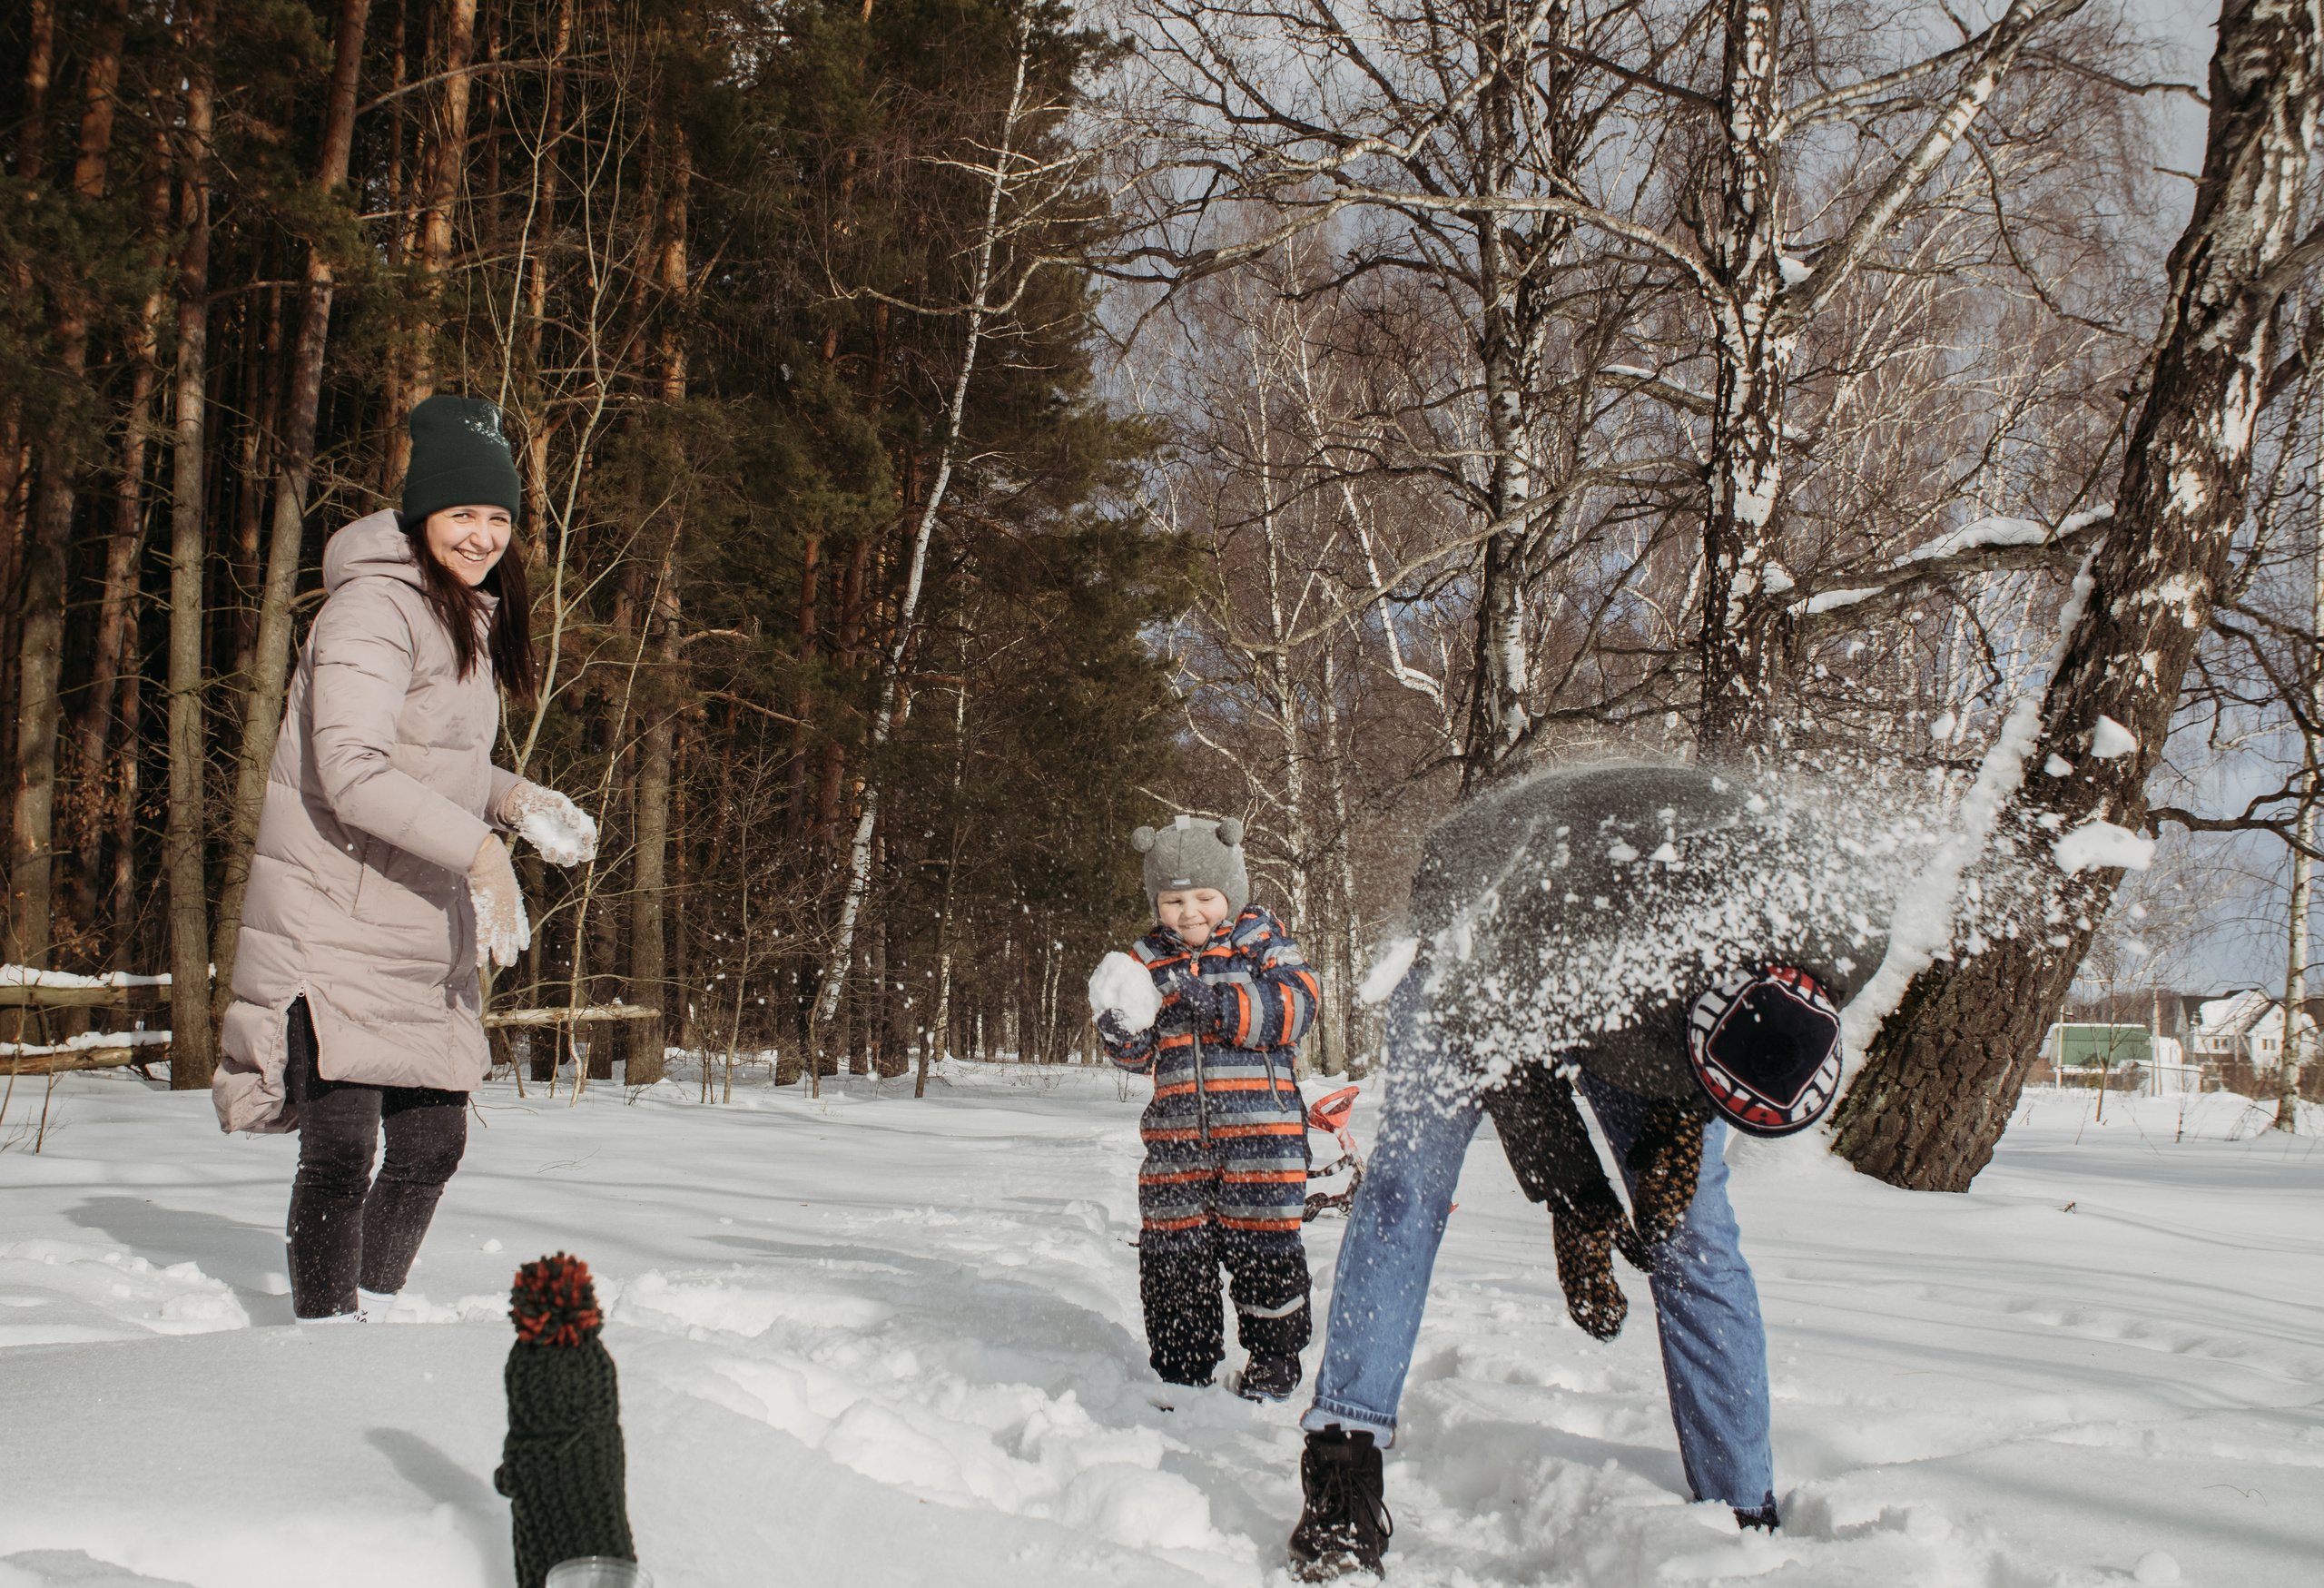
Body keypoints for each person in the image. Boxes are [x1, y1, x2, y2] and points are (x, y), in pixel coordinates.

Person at [1285, 763, 1894, 1581]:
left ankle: (1742, 1508)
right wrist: (1577, 1195)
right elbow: (1496, 1035)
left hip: (1629, 956)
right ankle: (1342, 1466)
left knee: (1698, 1233)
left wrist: (1672, 1145)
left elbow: (1719, 1066)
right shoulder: (1591, 959)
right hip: (1475, 936)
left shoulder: (1840, 929)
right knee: (1407, 1189)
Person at [212, 395, 597, 1323]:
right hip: (336, 916)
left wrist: (515, 799)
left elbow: (437, 760)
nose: (482, 536)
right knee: (344, 1149)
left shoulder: (462, 614)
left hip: (414, 926)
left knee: (431, 1145)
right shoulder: (370, 612)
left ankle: (373, 1311)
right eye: (464, 514)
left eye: (499, 518)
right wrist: (480, 852)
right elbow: (352, 771)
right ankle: (326, 1336)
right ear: (421, 513)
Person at [1096, 814, 1323, 1402]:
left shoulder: (1260, 940)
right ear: (1156, 901)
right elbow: (1139, 1054)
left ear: (1232, 889)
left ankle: (1274, 1359)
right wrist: (1120, 1029)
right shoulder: (1145, 959)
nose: (1189, 911)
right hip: (1175, 1146)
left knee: (1263, 1247)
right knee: (1174, 1254)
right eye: (1172, 900)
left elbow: (1299, 1002)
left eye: (1203, 896)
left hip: (1261, 1139)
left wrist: (1219, 1002)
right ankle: (1183, 1365)